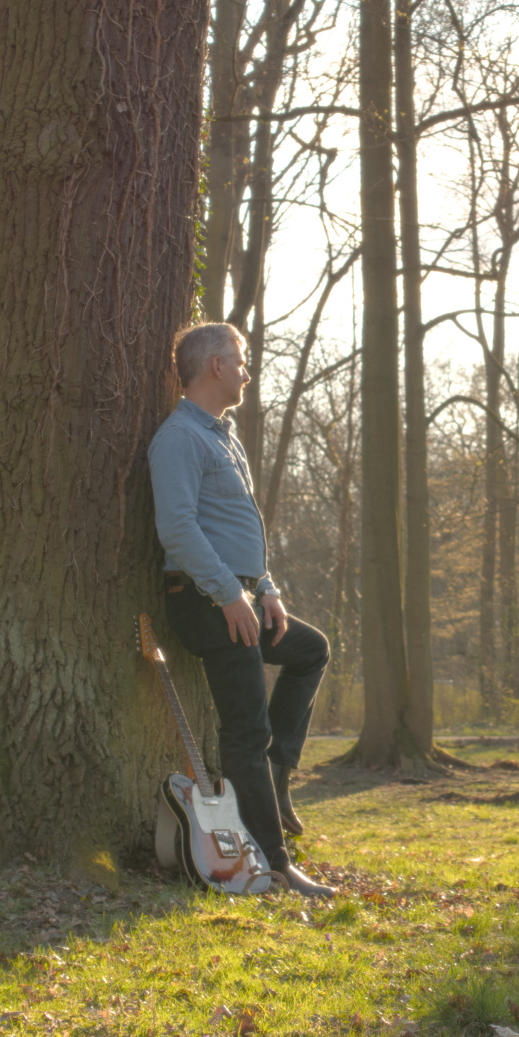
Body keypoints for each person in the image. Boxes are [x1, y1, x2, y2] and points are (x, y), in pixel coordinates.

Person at [148, 322, 336, 897]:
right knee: (244, 730)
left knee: (310, 650)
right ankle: (273, 862)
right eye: (241, 360)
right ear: (214, 367)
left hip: (244, 595)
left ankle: (276, 779)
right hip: (205, 600)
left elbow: (240, 527)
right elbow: (177, 527)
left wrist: (267, 588)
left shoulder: (224, 437)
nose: (247, 371)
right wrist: (230, 593)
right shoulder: (179, 438)